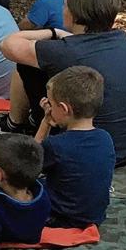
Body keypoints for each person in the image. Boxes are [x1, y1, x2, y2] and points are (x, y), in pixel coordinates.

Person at [0, 0, 126, 166]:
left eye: (64, 6)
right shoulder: (123, 40)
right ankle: (32, 119)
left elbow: (7, 45)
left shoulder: (64, 51)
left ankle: (15, 124)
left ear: (73, 14)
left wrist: (53, 31)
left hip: (86, 155)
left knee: (26, 65)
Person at [35, 66, 114, 229]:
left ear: (64, 109)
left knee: (13, 182)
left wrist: (45, 124)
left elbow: (27, 164)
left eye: (51, 104)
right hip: (94, 216)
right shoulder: (105, 138)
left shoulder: (57, 145)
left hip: (61, 219)